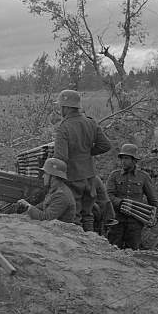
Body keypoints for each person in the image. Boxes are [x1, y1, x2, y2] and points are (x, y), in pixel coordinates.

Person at [52, 89, 111, 232]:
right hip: (90, 176)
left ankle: (79, 248)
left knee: (74, 215)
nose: (60, 110)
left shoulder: (64, 127)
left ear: (65, 107)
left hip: (73, 177)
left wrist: (52, 177)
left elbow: (61, 159)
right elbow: (105, 145)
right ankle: (91, 242)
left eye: (61, 107)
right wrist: (86, 153)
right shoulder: (91, 123)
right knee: (88, 213)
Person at [106, 143, 158, 250]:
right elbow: (108, 195)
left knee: (133, 252)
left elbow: (152, 199)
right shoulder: (114, 175)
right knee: (113, 249)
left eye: (126, 158)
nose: (123, 161)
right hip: (117, 219)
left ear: (134, 160)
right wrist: (120, 202)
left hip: (135, 221)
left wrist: (157, 216)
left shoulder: (143, 177)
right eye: (122, 158)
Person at [17, 158, 76, 223]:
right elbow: (43, 205)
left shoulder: (61, 195)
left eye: (45, 173)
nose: (43, 176)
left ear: (53, 177)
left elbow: (47, 218)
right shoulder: (55, 189)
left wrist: (28, 206)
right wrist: (26, 208)